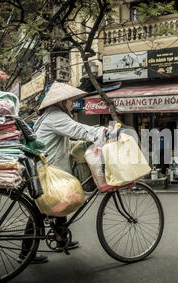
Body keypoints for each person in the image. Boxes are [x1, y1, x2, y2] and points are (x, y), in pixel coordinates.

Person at [20, 82, 116, 264]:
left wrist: (78, 146)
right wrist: (103, 131)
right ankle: (26, 253)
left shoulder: (49, 116)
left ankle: (61, 239)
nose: (72, 104)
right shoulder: (56, 117)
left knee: (60, 201)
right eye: (70, 101)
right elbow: (79, 130)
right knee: (40, 210)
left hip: (46, 169)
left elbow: (61, 141)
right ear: (62, 102)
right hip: (46, 171)